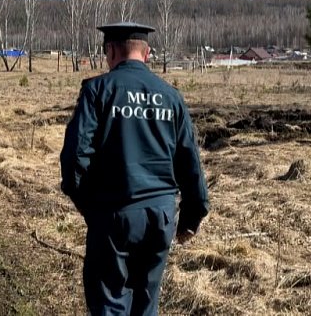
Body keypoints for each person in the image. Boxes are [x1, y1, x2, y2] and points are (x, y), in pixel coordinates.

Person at [60, 21, 209, 316]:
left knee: (110, 302)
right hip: (160, 216)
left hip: (115, 214)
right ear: (147, 53)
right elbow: (189, 161)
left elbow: (75, 156)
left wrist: (87, 205)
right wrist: (192, 216)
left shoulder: (98, 90)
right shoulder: (171, 97)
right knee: (146, 304)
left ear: (111, 50)